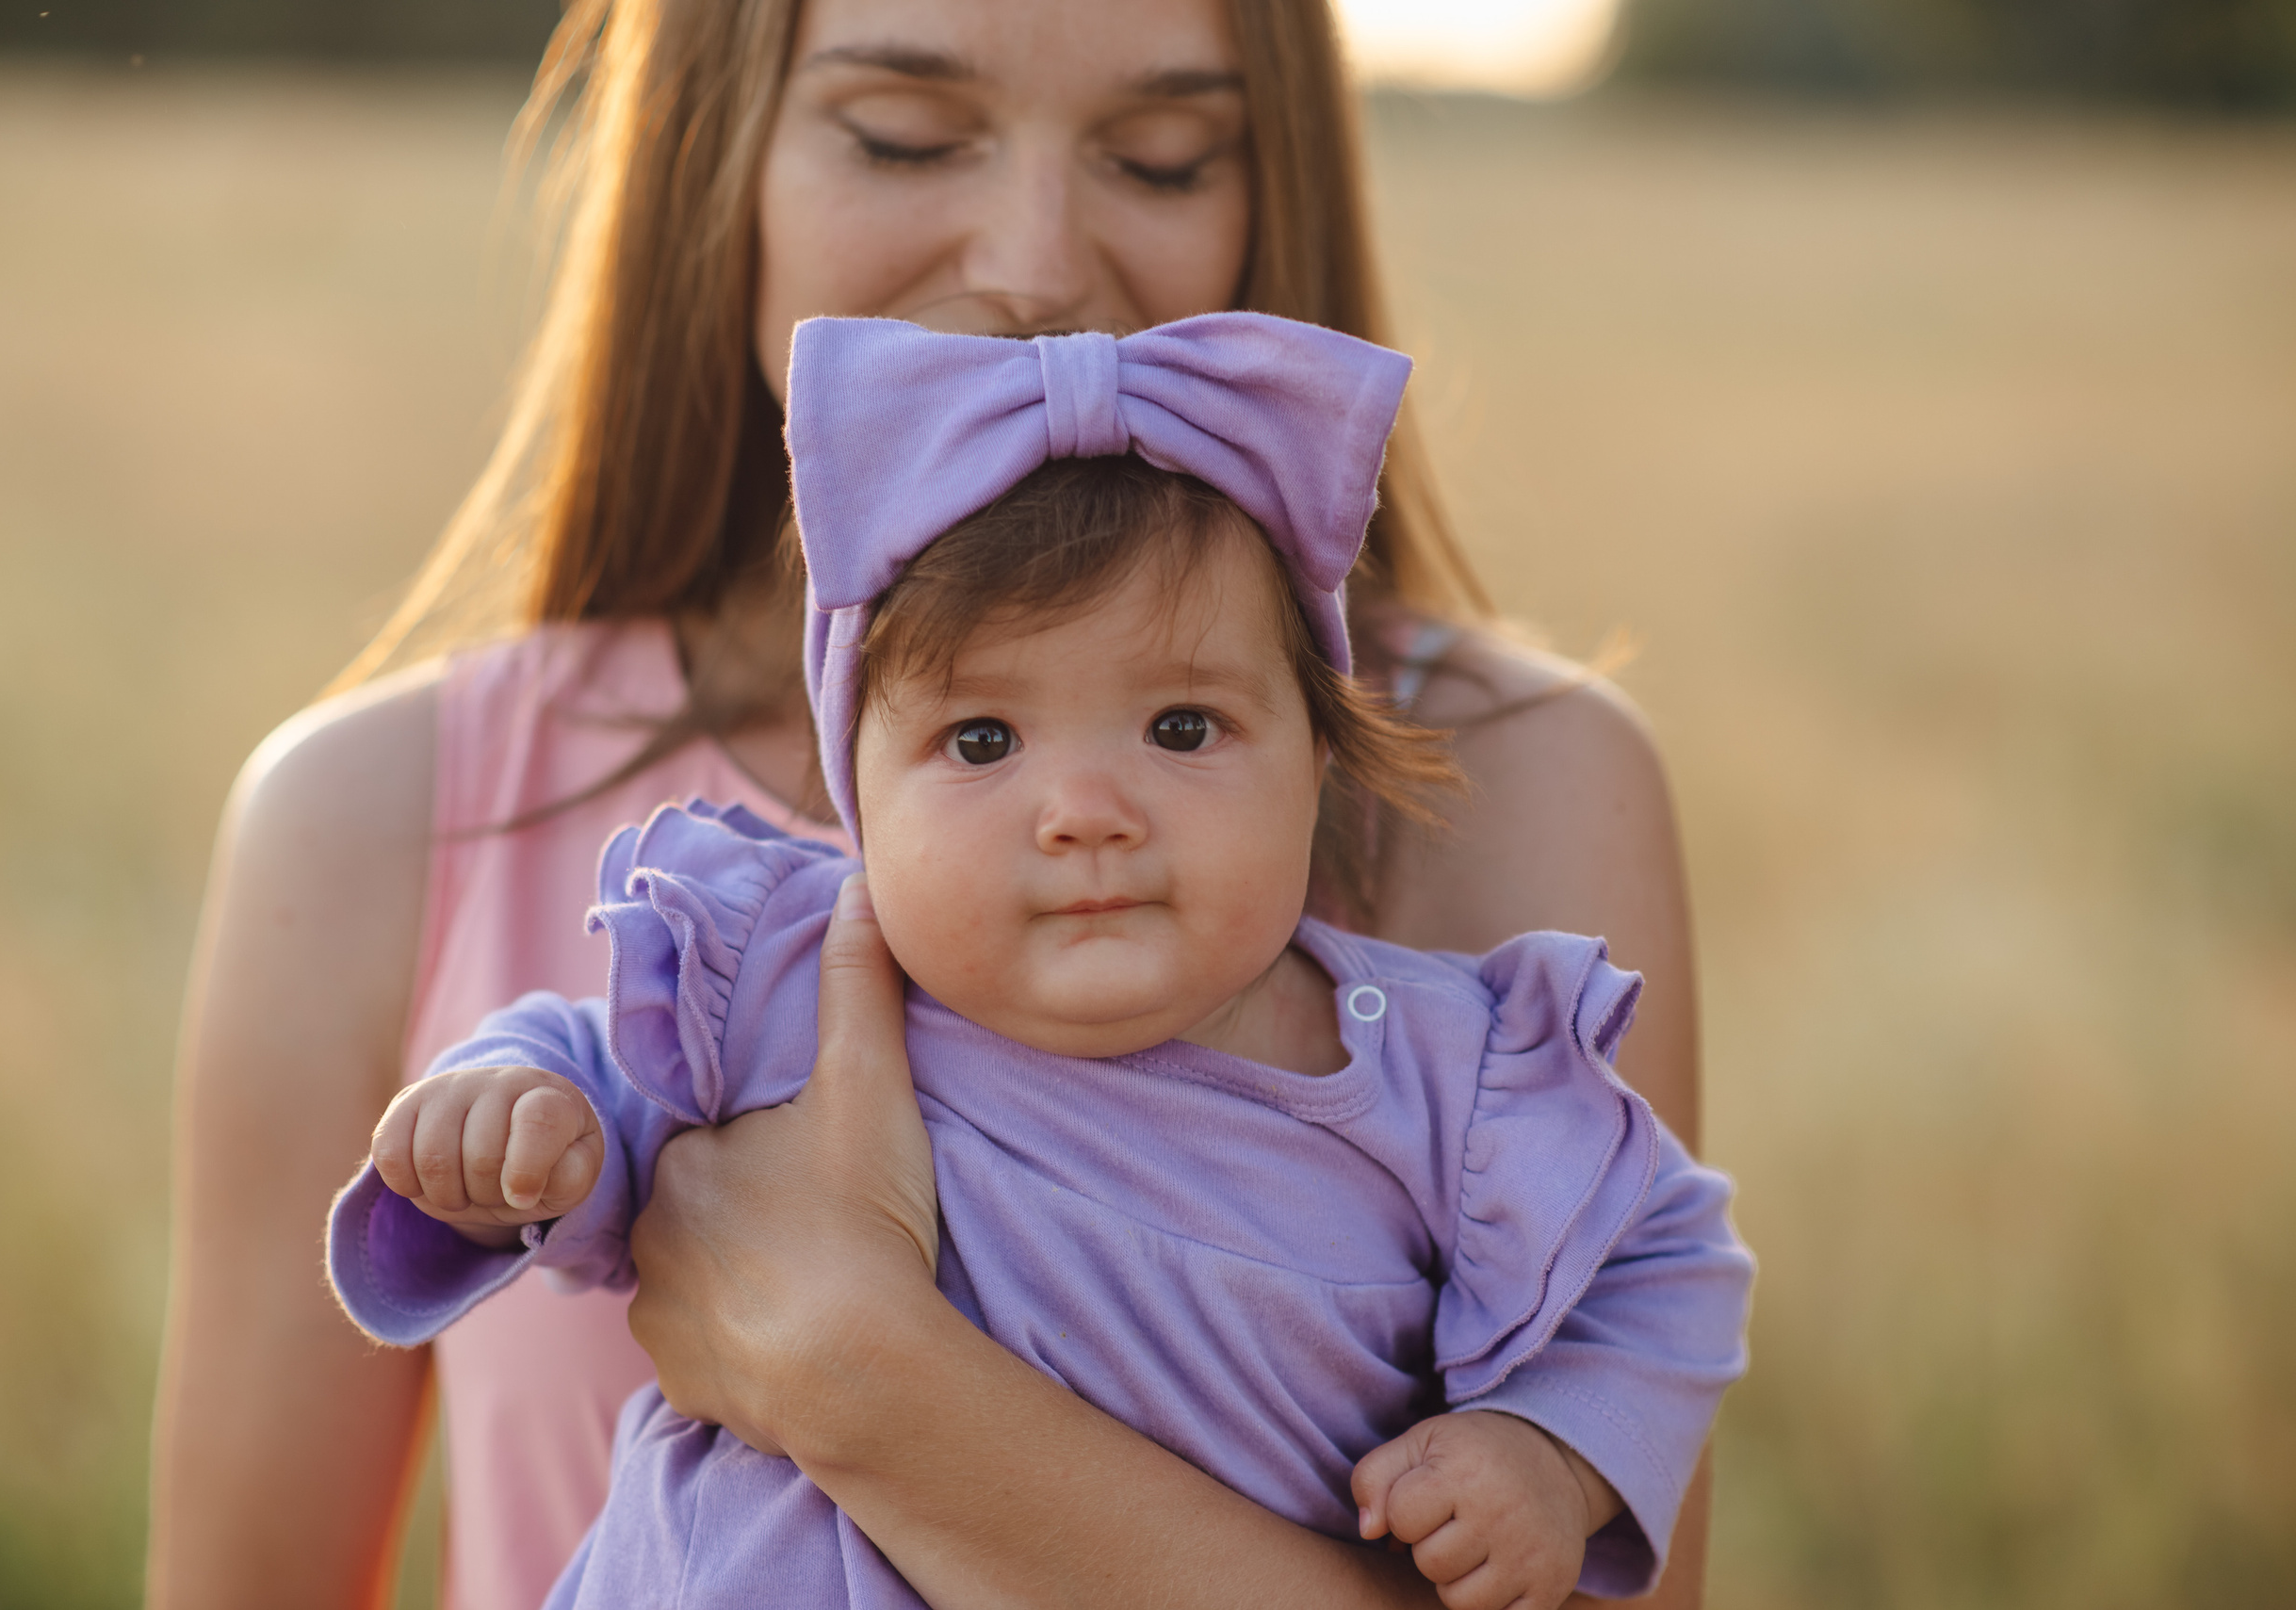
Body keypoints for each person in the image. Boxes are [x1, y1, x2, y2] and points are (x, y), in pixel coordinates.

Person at [146, 3, 1719, 1607]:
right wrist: (517, 1133)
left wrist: (859, 1375)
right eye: (902, 135)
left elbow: (1642, 1323)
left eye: (1161, 156)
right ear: (718, 164)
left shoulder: (1521, 796)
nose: (1033, 266)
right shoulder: (384, 824)